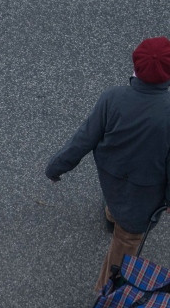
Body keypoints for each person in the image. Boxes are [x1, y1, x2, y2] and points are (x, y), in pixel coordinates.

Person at [46, 37, 170, 292]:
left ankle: (112, 214)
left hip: (112, 177)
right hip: (143, 194)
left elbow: (83, 139)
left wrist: (56, 167)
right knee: (125, 246)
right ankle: (108, 295)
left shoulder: (113, 97)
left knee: (116, 202)